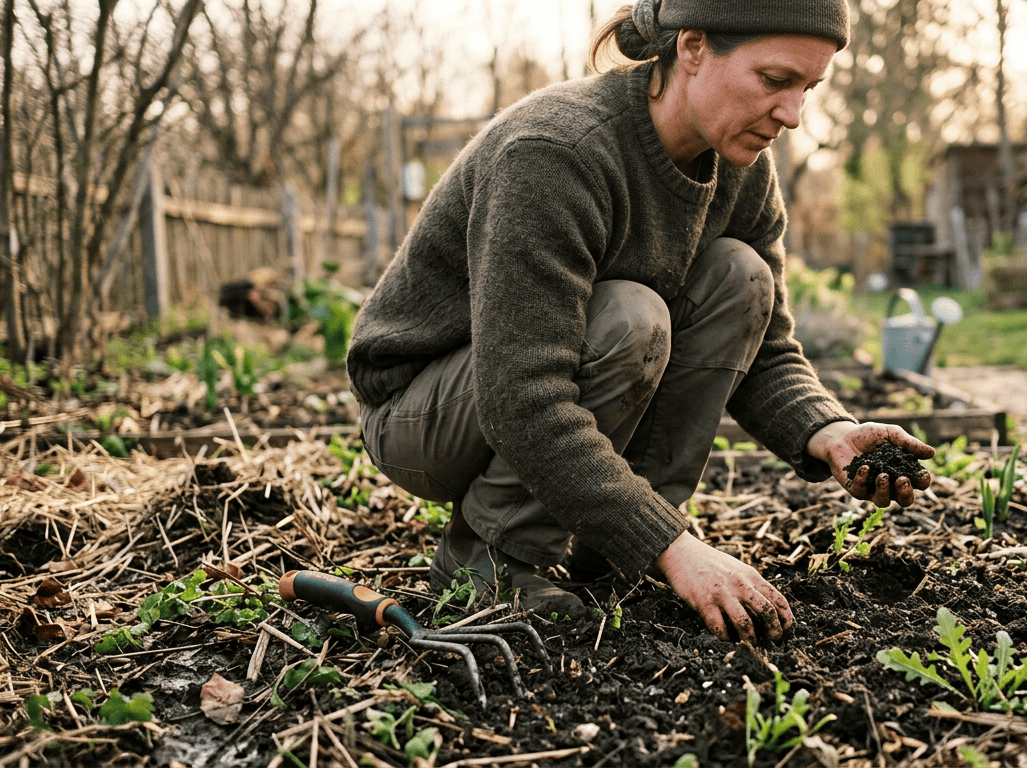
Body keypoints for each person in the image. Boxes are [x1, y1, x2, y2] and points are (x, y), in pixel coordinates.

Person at [347, 0, 935, 646]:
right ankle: (491, 558)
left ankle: (614, 544)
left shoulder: (740, 169)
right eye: (774, 80)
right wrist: (676, 547)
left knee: (741, 277)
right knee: (630, 317)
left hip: (511, 401)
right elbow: (522, 396)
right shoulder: (555, 153)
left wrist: (831, 431)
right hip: (425, 415)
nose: (793, 115)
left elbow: (765, 348)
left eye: (808, 88)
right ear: (692, 48)